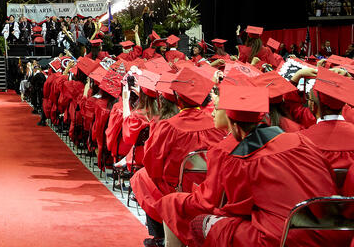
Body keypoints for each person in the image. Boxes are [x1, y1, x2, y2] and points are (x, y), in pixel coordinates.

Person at [160, 85, 346, 247]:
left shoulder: (243, 159)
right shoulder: (301, 140)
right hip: (334, 232)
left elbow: (236, 209)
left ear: (234, 127)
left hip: (284, 238)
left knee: (203, 223)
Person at [130, 68, 225, 246]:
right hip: (211, 188)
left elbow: (153, 166)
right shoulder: (217, 124)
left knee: (140, 177)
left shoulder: (168, 126)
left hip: (177, 188)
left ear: (178, 100)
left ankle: (159, 235)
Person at [299, 67, 354, 170]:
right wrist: (348, 77)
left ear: (312, 105)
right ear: (344, 104)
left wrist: (296, 77)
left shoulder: (302, 140)